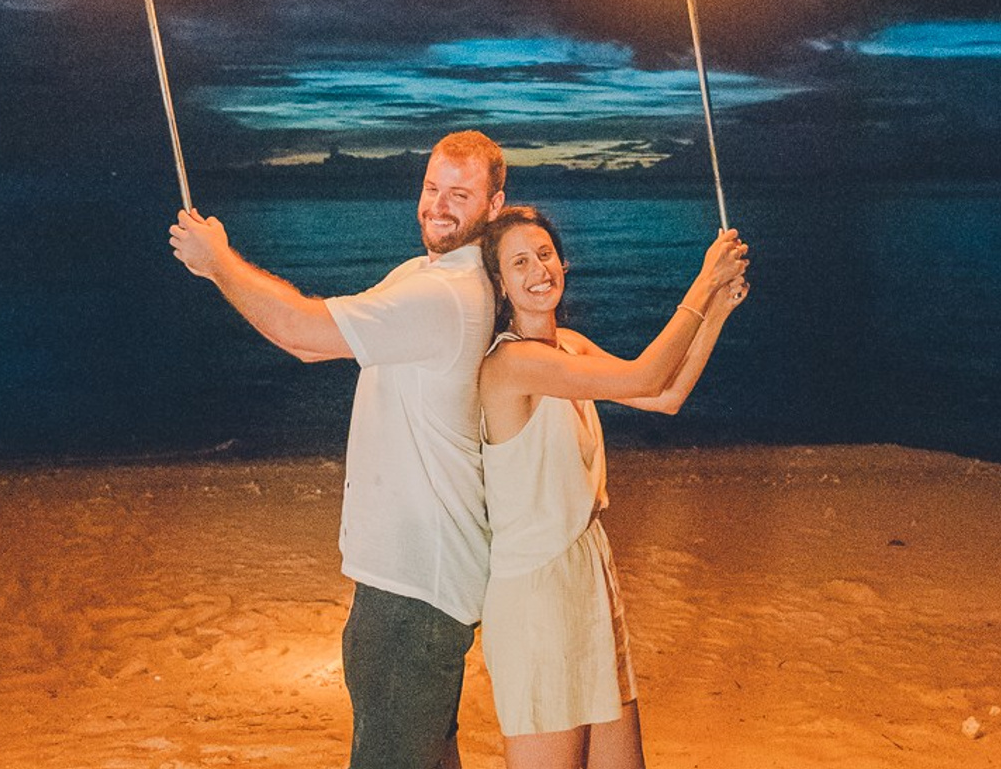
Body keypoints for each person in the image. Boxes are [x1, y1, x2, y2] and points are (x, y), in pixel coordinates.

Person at [168, 130, 507, 769]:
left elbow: (300, 331)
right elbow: (316, 340)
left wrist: (218, 262)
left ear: (494, 206)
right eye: (432, 187)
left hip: (416, 585)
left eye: (460, 194)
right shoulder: (424, 275)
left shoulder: (445, 295)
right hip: (411, 577)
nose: (438, 204)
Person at [477, 206, 749, 769]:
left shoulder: (569, 346)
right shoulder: (510, 364)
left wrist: (717, 311)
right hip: (536, 591)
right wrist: (703, 280)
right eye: (519, 262)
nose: (538, 270)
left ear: (563, 263)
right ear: (500, 285)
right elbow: (643, 375)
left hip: (590, 573)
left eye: (545, 255)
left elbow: (663, 395)